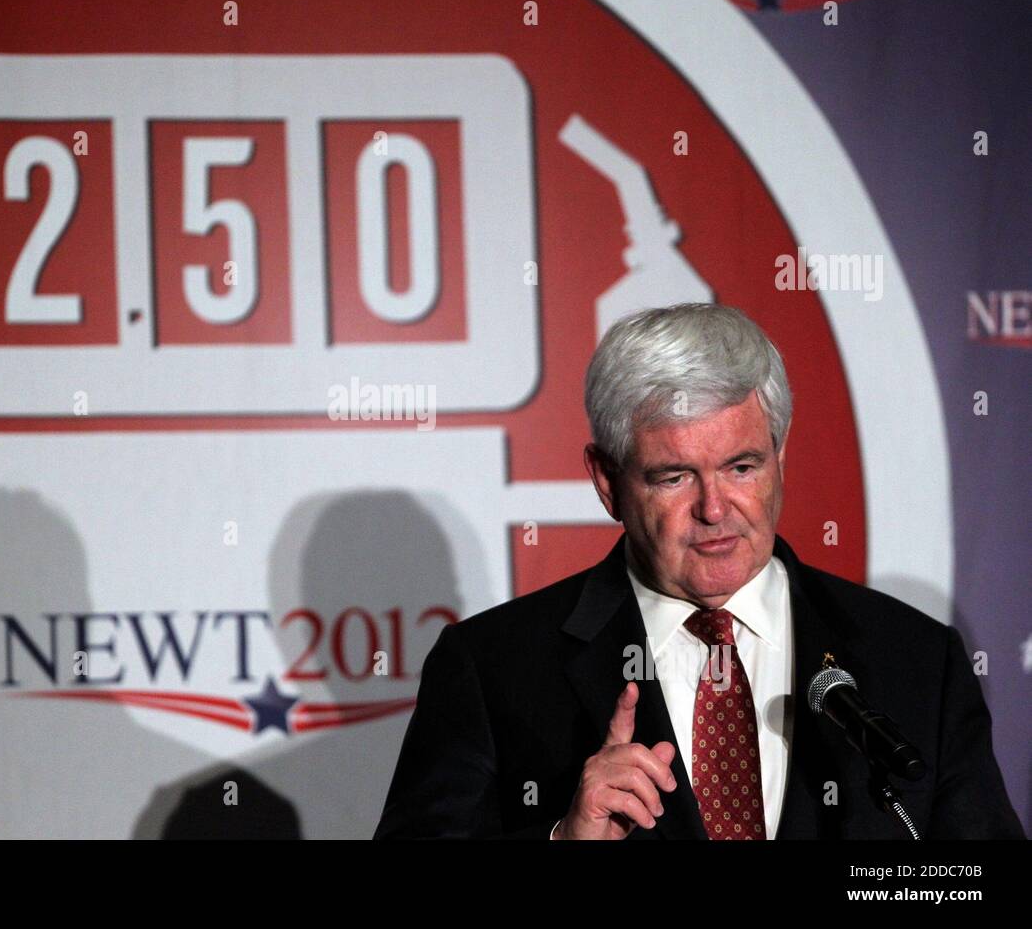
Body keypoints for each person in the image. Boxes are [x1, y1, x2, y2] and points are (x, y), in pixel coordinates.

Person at [374, 304, 1025, 840]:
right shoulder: (493, 669)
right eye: (674, 476)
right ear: (607, 482)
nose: (715, 510)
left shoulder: (914, 661)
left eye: (742, 467)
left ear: (781, 454)